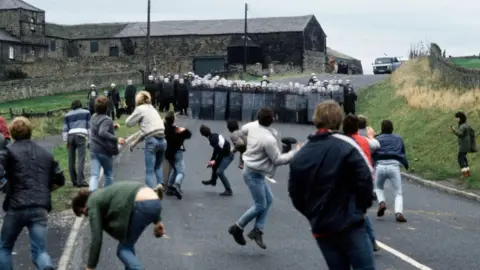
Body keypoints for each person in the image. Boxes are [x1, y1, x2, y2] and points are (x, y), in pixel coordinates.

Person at [288, 101, 375, 269]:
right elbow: (366, 177)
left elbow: (294, 193)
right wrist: (362, 208)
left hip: (322, 225)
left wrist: (312, 214)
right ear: (338, 120)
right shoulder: (346, 145)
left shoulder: (302, 152)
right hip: (350, 222)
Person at [228, 107, 300, 249]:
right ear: (272, 120)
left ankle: (258, 230)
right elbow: (278, 160)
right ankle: (237, 227)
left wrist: (245, 145)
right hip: (253, 173)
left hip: (254, 170)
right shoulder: (267, 140)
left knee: (269, 200)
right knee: (260, 204)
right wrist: (295, 152)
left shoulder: (252, 126)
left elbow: (242, 131)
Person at [0, 117, 66, 270]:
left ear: (11, 132)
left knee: (4, 247)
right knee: (40, 251)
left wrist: (5, 184)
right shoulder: (45, 153)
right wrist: (45, 189)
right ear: (30, 131)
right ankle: (46, 266)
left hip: (16, 207)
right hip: (40, 207)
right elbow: (60, 179)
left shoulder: (8, 152)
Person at [71, 181, 165, 270]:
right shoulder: (102, 194)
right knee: (128, 244)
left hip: (141, 204)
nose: (85, 215)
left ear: (83, 205)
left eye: (82, 213)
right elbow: (145, 200)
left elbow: (96, 238)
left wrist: (90, 267)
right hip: (154, 200)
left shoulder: (92, 202)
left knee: (123, 249)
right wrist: (157, 221)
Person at [342, 114, 380, 252]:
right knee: (360, 211)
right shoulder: (364, 140)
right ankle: (371, 240)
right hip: (367, 178)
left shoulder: (345, 141)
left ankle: (361, 240)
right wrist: (371, 136)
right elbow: (376, 144)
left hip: (352, 179)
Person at [126, 91, 166, 189]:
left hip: (152, 141)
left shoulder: (140, 109)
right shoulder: (152, 108)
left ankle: (151, 193)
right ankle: (160, 185)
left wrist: (135, 116)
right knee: (158, 167)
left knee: (149, 171)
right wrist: (134, 144)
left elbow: (128, 123)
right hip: (163, 141)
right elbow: (146, 132)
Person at [373, 120, 409, 223]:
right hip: (394, 166)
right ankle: (398, 213)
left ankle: (382, 202)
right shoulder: (398, 138)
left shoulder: (377, 139)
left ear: (381, 128)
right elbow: (403, 151)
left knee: (378, 188)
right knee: (398, 192)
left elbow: (373, 152)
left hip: (380, 166)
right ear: (392, 128)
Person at [89, 96, 125, 191]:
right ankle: (106, 194)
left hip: (93, 150)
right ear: (107, 108)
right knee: (108, 174)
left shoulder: (93, 117)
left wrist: (112, 126)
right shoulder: (107, 119)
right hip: (104, 151)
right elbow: (102, 132)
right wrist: (116, 139)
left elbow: (98, 128)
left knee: (94, 175)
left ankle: (91, 195)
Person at [63, 100, 91, 188]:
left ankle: (74, 180)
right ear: (80, 105)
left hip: (70, 136)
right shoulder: (86, 112)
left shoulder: (67, 115)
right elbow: (89, 126)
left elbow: (65, 129)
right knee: (81, 159)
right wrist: (90, 139)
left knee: (71, 160)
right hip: (81, 136)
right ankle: (80, 180)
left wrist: (65, 141)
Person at [200, 124, 234, 196]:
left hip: (228, 155)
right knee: (214, 166)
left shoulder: (212, 140)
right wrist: (212, 159)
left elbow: (220, 152)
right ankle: (213, 181)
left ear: (203, 135)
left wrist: (214, 160)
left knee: (220, 172)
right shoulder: (214, 135)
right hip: (226, 153)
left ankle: (229, 190)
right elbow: (216, 149)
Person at [164, 111, 192, 199]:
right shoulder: (176, 130)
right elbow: (188, 135)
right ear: (173, 119)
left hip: (169, 153)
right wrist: (183, 129)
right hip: (177, 152)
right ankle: (176, 185)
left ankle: (169, 187)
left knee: (175, 170)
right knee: (181, 172)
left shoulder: (166, 129)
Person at [451, 112, 473, 177]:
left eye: (457, 118)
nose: (456, 119)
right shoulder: (466, 125)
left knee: (460, 158)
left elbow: (461, 134)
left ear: (460, 118)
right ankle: (468, 172)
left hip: (464, 144)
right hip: (467, 143)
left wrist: (454, 131)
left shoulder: (462, 126)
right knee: (464, 158)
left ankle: (464, 174)